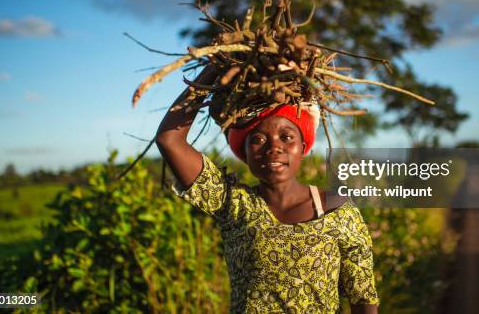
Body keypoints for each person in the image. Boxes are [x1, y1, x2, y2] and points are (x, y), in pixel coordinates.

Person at [156, 65, 380, 313]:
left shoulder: (338, 211)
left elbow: (362, 297)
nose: (274, 148)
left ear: (303, 146)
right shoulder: (233, 205)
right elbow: (170, 140)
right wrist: (213, 70)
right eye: (258, 140)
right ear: (245, 153)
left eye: (286, 137)